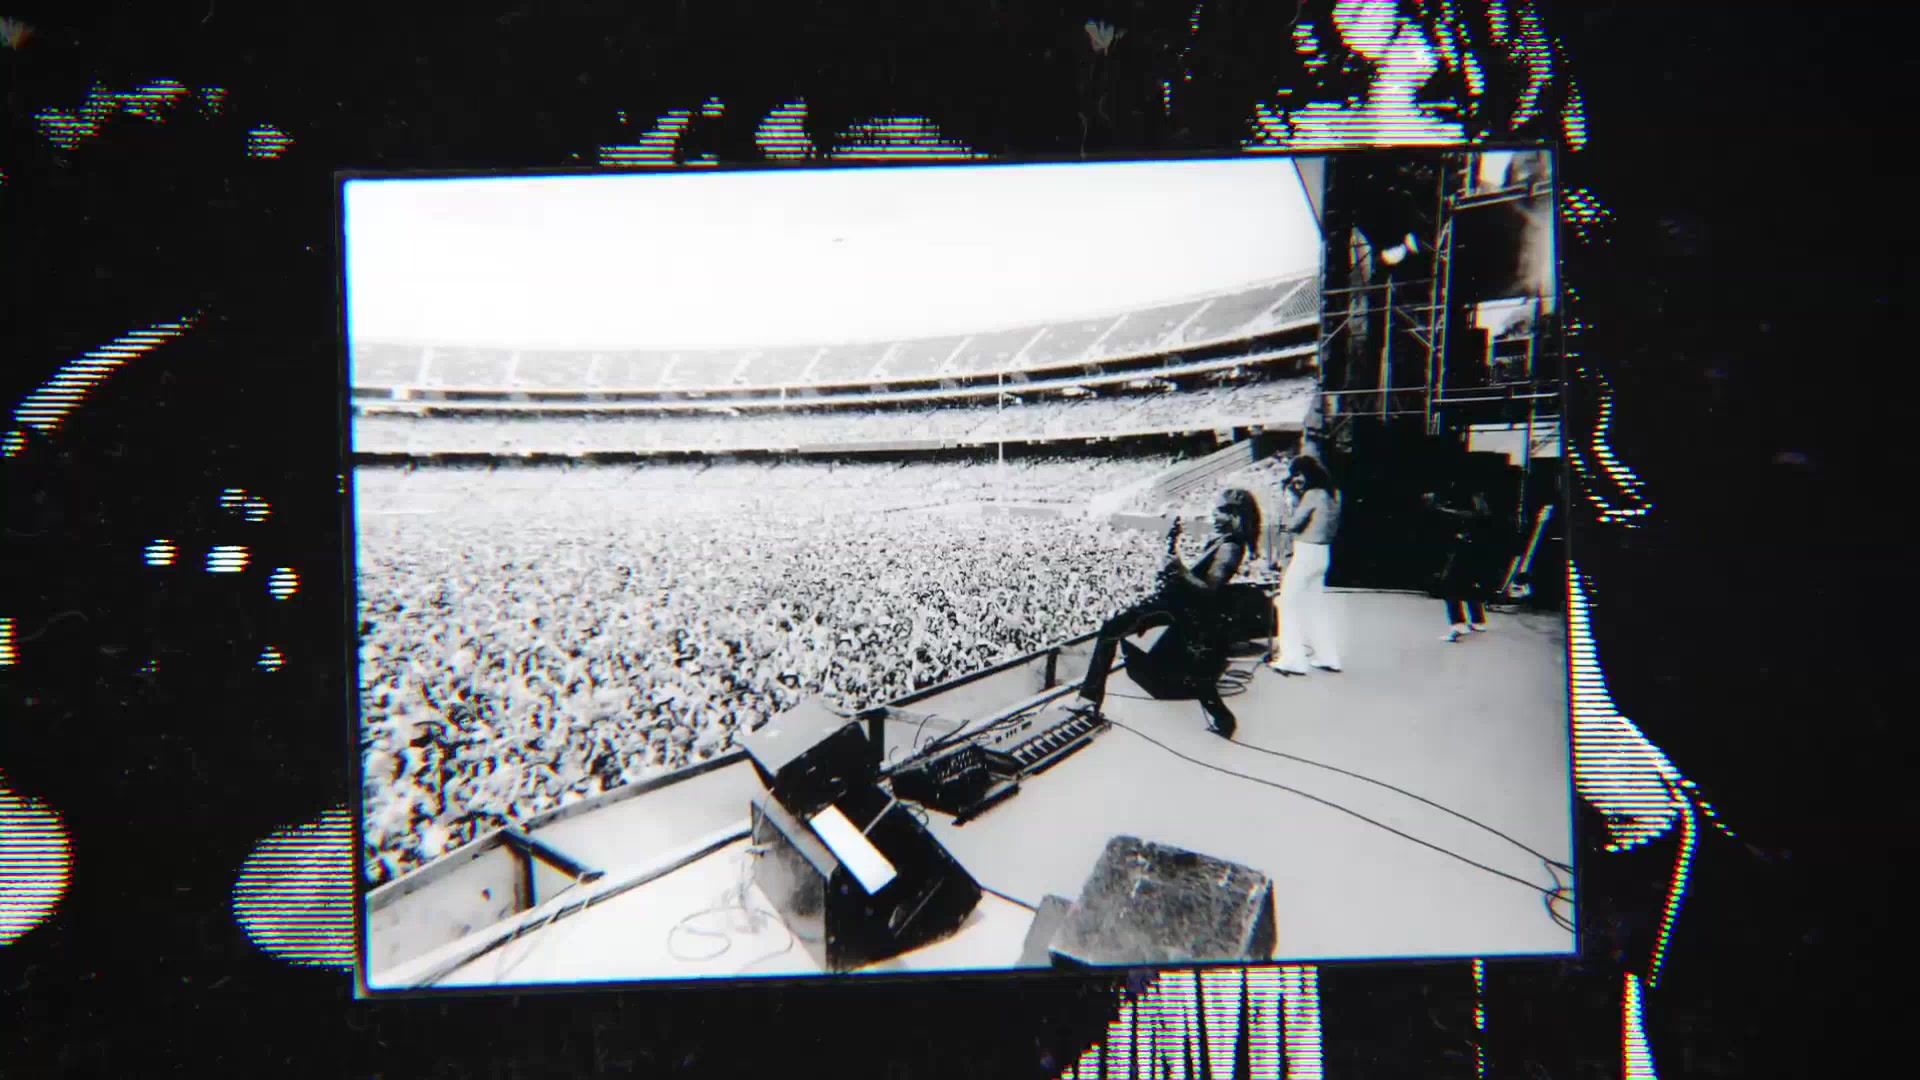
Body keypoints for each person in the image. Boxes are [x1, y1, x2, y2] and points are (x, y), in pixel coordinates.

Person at [1070, 488, 1263, 738]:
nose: (1213, 516)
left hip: (1186, 610)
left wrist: (1179, 569)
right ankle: (1224, 721)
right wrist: (1173, 547)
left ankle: (1089, 699)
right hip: (1183, 608)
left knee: (1114, 632)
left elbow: (1209, 589)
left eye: (1219, 511)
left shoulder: (1230, 548)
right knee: (1196, 673)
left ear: (1235, 516)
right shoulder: (1222, 541)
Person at [1269, 455, 1343, 676]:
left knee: (1286, 604)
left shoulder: (1312, 495)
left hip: (1306, 553)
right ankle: (1328, 657)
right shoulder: (1334, 495)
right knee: (1315, 608)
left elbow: (1293, 524)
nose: (1296, 480)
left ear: (1307, 473)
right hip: (1323, 554)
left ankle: (1293, 660)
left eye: (1298, 475)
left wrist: (1291, 498)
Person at [1423, 478, 1498, 641]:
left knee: (1449, 582)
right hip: (1473, 543)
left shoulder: (1471, 496)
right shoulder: (1474, 495)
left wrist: (1441, 509)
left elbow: (1477, 515)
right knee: (1467, 581)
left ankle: (1458, 623)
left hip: (1468, 543)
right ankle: (1477, 620)